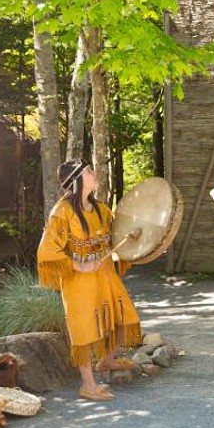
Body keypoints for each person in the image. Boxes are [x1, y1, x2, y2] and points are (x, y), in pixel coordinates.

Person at [37, 160, 141, 401]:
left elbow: (118, 236)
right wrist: (79, 264)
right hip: (78, 281)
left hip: (105, 274)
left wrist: (140, 240)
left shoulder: (102, 210)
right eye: (88, 172)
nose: (94, 174)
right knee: (84, 330)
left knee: (125, 317)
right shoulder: (61, 213)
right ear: (77, 180)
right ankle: (88, 385)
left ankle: (106, 361)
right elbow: (47, 251)